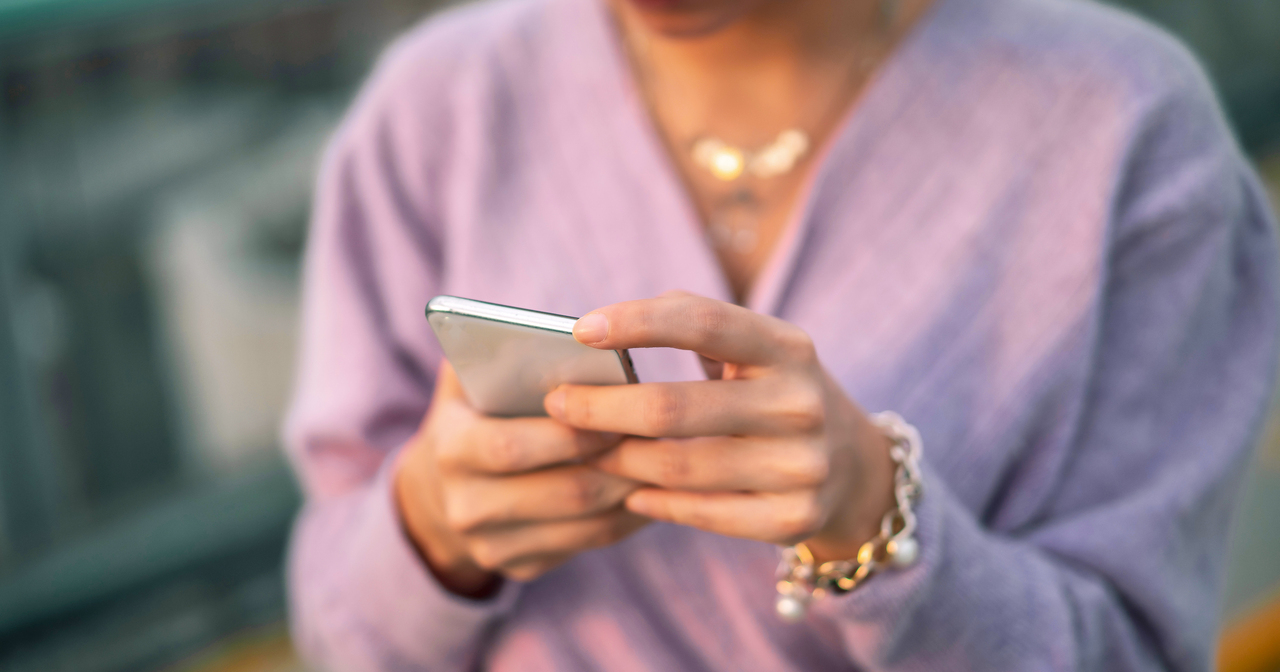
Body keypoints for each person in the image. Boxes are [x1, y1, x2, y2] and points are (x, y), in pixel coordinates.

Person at [282, 0, 1280, 668]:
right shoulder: (434, 109)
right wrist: (429, 531)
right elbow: (338, 624)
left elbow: (1133, 652)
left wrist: (877, 523)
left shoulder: (1122, 128)